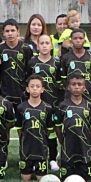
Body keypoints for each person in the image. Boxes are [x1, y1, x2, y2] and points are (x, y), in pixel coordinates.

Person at [29, 33, 61, 172]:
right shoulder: (31, 63)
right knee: (35, 131)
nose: (44, 46)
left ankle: (53, 158)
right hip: (36, 103)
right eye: (41, 43)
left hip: (52, 103)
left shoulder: (57, 63)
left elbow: (60, 84)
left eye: (47, 43)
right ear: (37, 46)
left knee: (51, 131)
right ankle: (32, 157)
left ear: (51, 46)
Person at [55, 76, 91, 181]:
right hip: (68, 147)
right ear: (68, 87)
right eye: (73, 84)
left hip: (84, 148)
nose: (76, 87)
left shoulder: (90, 106)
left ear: (84, 88)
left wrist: (87, 140)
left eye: (79, 84)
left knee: (88, 179)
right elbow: (57, 126)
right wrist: (62, 140)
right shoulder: (62, 105)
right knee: (65, 178)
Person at [15, 75, 55, 181]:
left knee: (41, 178)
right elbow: (19, 130)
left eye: (38, 86)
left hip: (41, 150)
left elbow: (49, 129)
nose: (35, 88)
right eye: (32, 86)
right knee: (25, 178)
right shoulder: (20, 108)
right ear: (27, 89)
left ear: (42, 89)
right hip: (26, 150)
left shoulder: (48, 108)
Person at [0, 18, 34, 108]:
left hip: (22, 91)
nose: (10, 33)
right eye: (7, 31)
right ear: (3, 33)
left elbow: (30, 70)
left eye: (13, 30)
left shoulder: (26, 49)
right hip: (5, 92)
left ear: (18, 32)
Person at [59, 28, 91, 102]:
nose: (78, 40)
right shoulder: (65, 57)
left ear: (84, 41)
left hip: (87, 95)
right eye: (75, 38)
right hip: (70, 96)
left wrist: (85, 87)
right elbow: (64, 79)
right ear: (71, 41)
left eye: (81, 38)